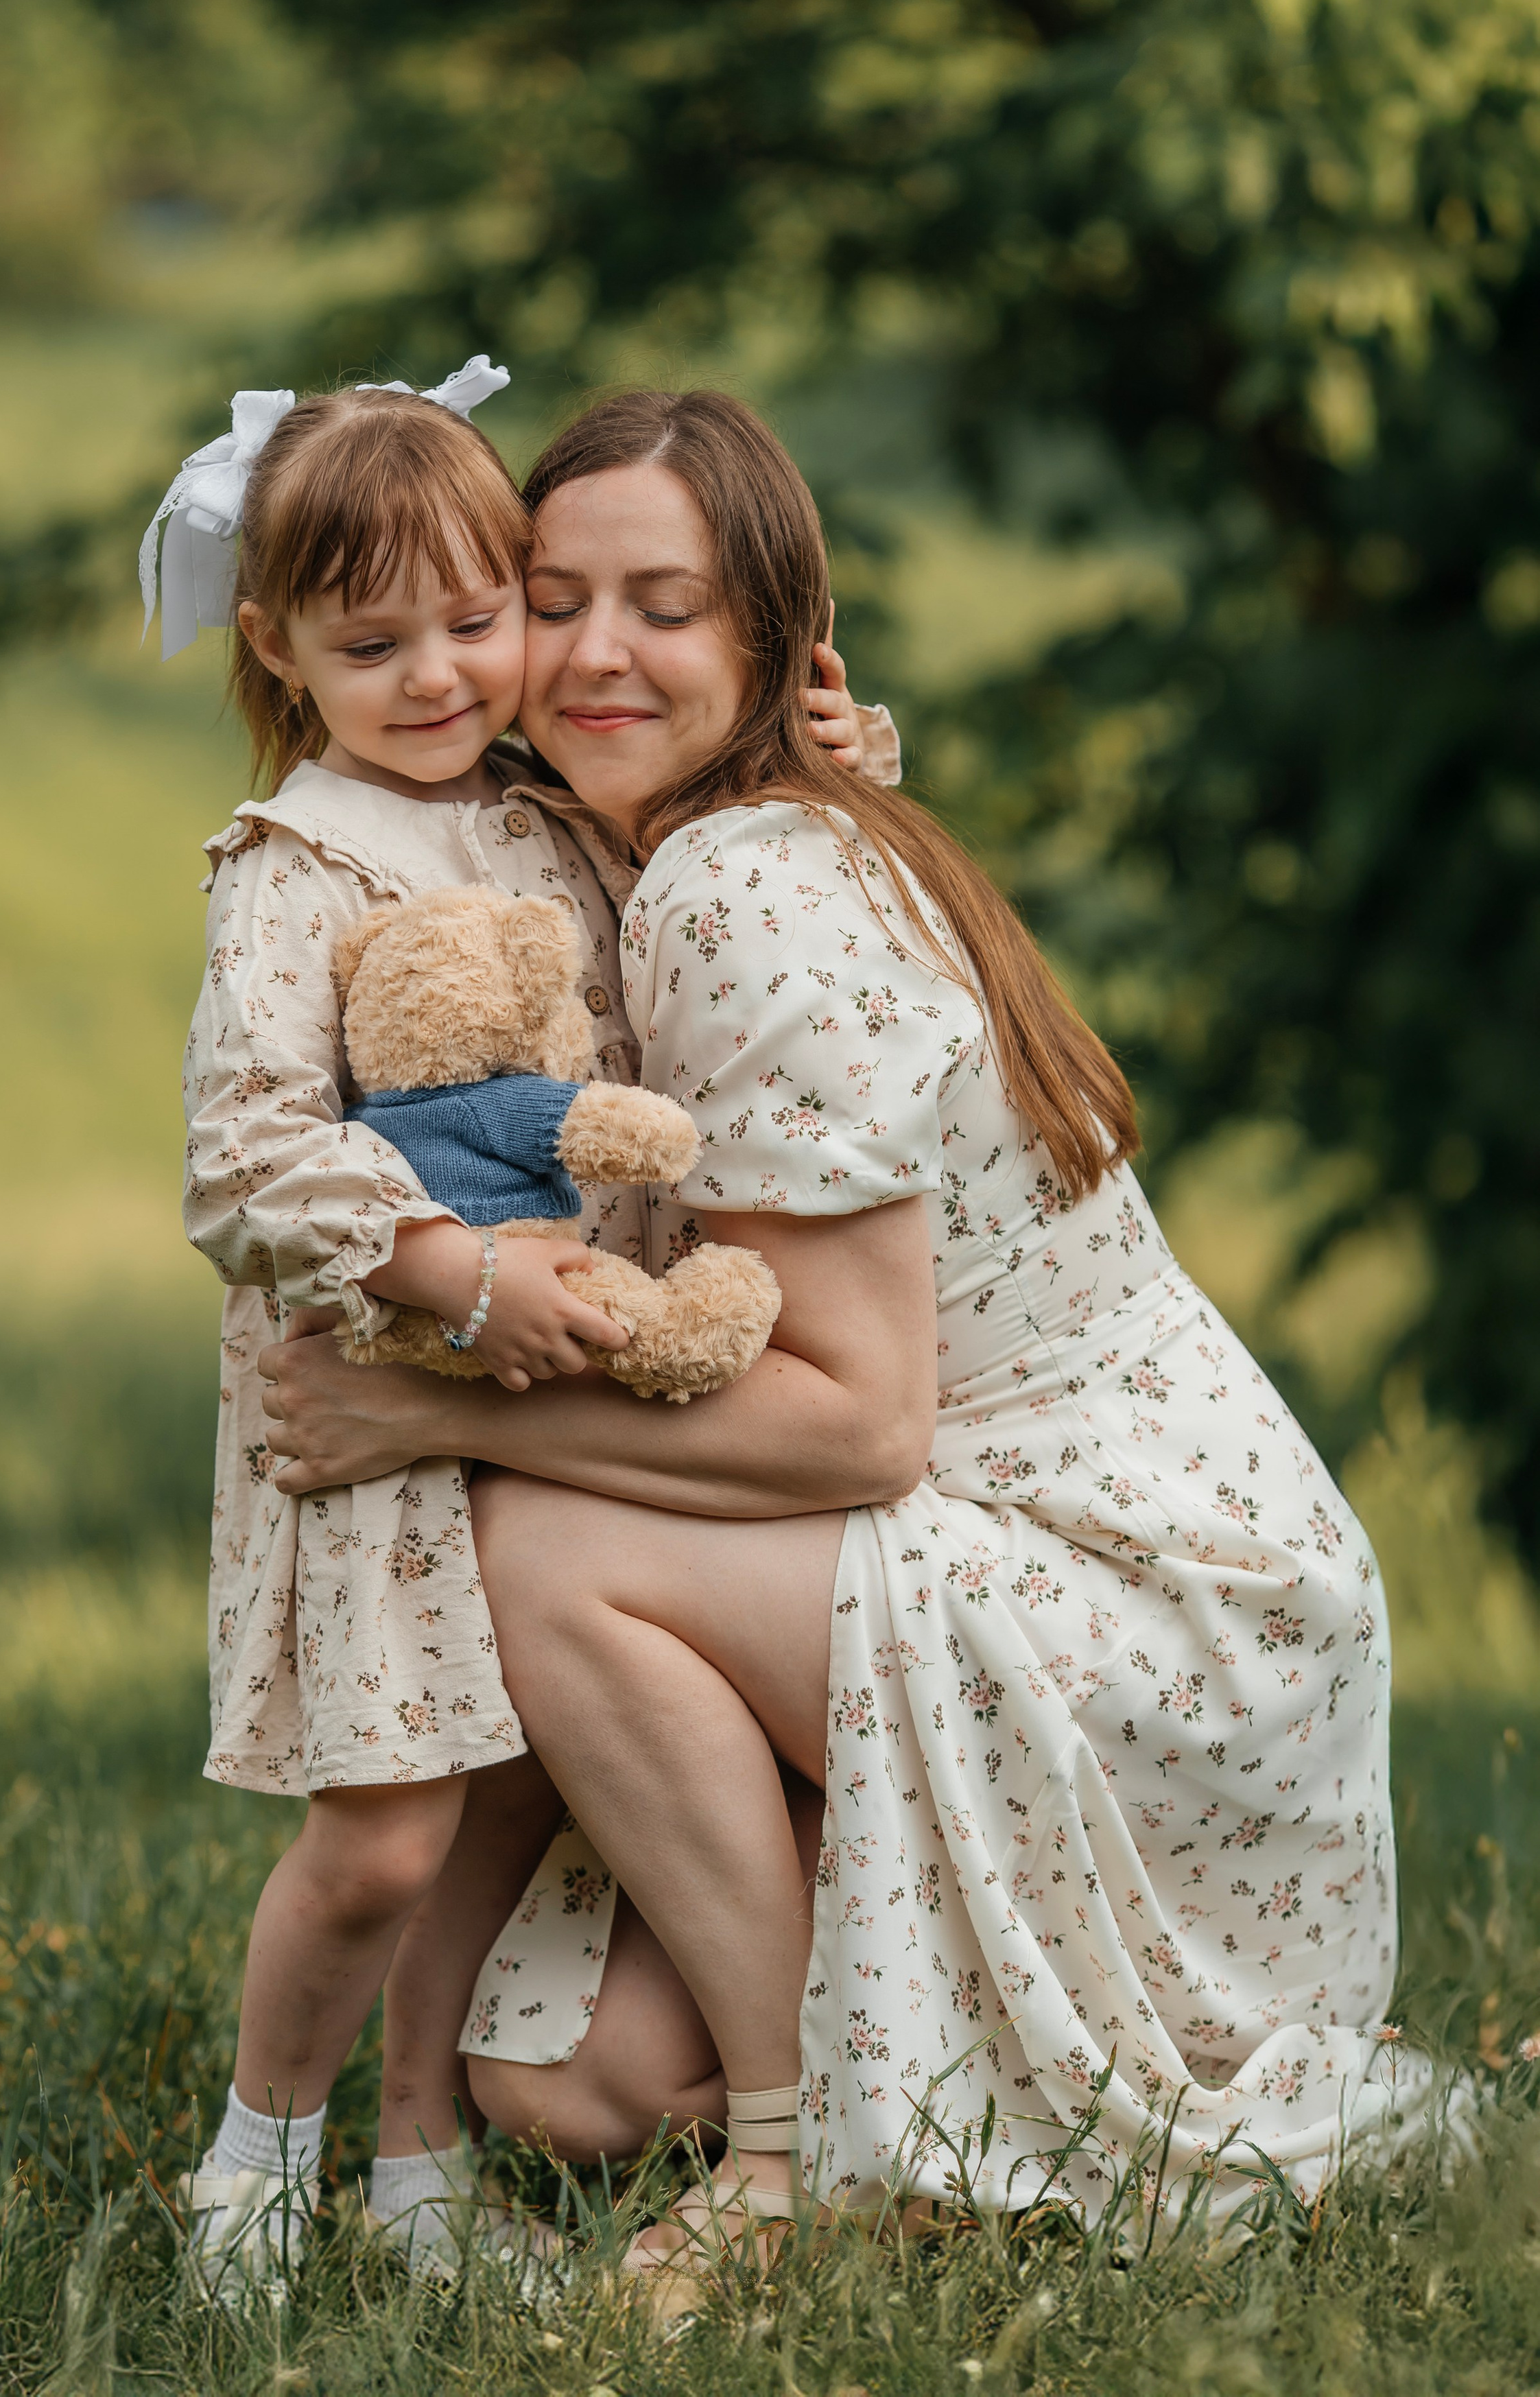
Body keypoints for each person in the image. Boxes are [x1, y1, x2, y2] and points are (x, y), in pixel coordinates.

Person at [258, 388, 1400, 2269]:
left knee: (537, 1541)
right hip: (1017, 1544)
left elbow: (866, 1429)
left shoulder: (746, 885)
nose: (597, 653)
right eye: (554, 597)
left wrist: (436, 1417)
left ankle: (795, 2164)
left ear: (777, 643)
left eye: (668, 608)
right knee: (573, 2086)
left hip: (1135, 1591)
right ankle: (891, 2068)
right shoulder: (659, 837)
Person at [151, 365, 888, 2293]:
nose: (437, 677)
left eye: (477, 622)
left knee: (508, 1789)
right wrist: (457, 1280)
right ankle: (253, 2167)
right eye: (370, 644)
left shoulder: (536, 810)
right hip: (391, 1396)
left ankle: (421, 2168)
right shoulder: (297, 862)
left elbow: (719, 867)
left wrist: (841, 758)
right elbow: (243, 1160)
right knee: (390, 1835)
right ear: (276, 647)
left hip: (555, 1392)